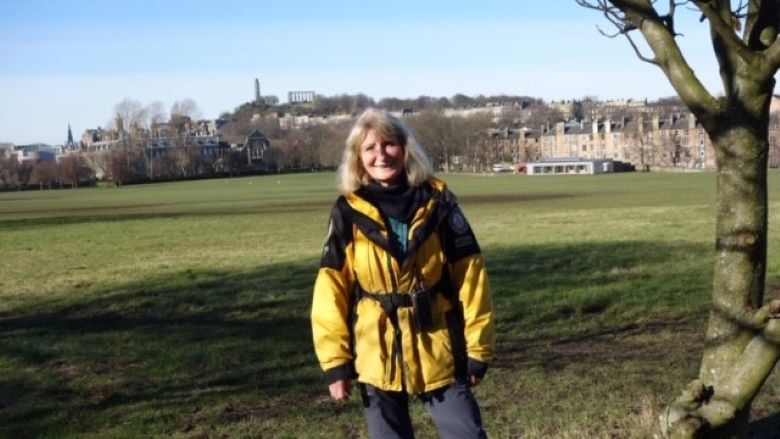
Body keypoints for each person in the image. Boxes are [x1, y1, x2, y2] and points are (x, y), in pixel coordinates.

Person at [311, 108, 495, 438]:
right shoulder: (347, 212)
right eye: (370, 148)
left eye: (389, 144)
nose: (380, 154)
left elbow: (471, 278)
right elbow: (331, 289)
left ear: (405, 149)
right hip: (375, 351)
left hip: (439, 344)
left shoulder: (440, 203)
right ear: (358, 157)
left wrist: (477, 349)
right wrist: (335, 363)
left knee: (467, 432)